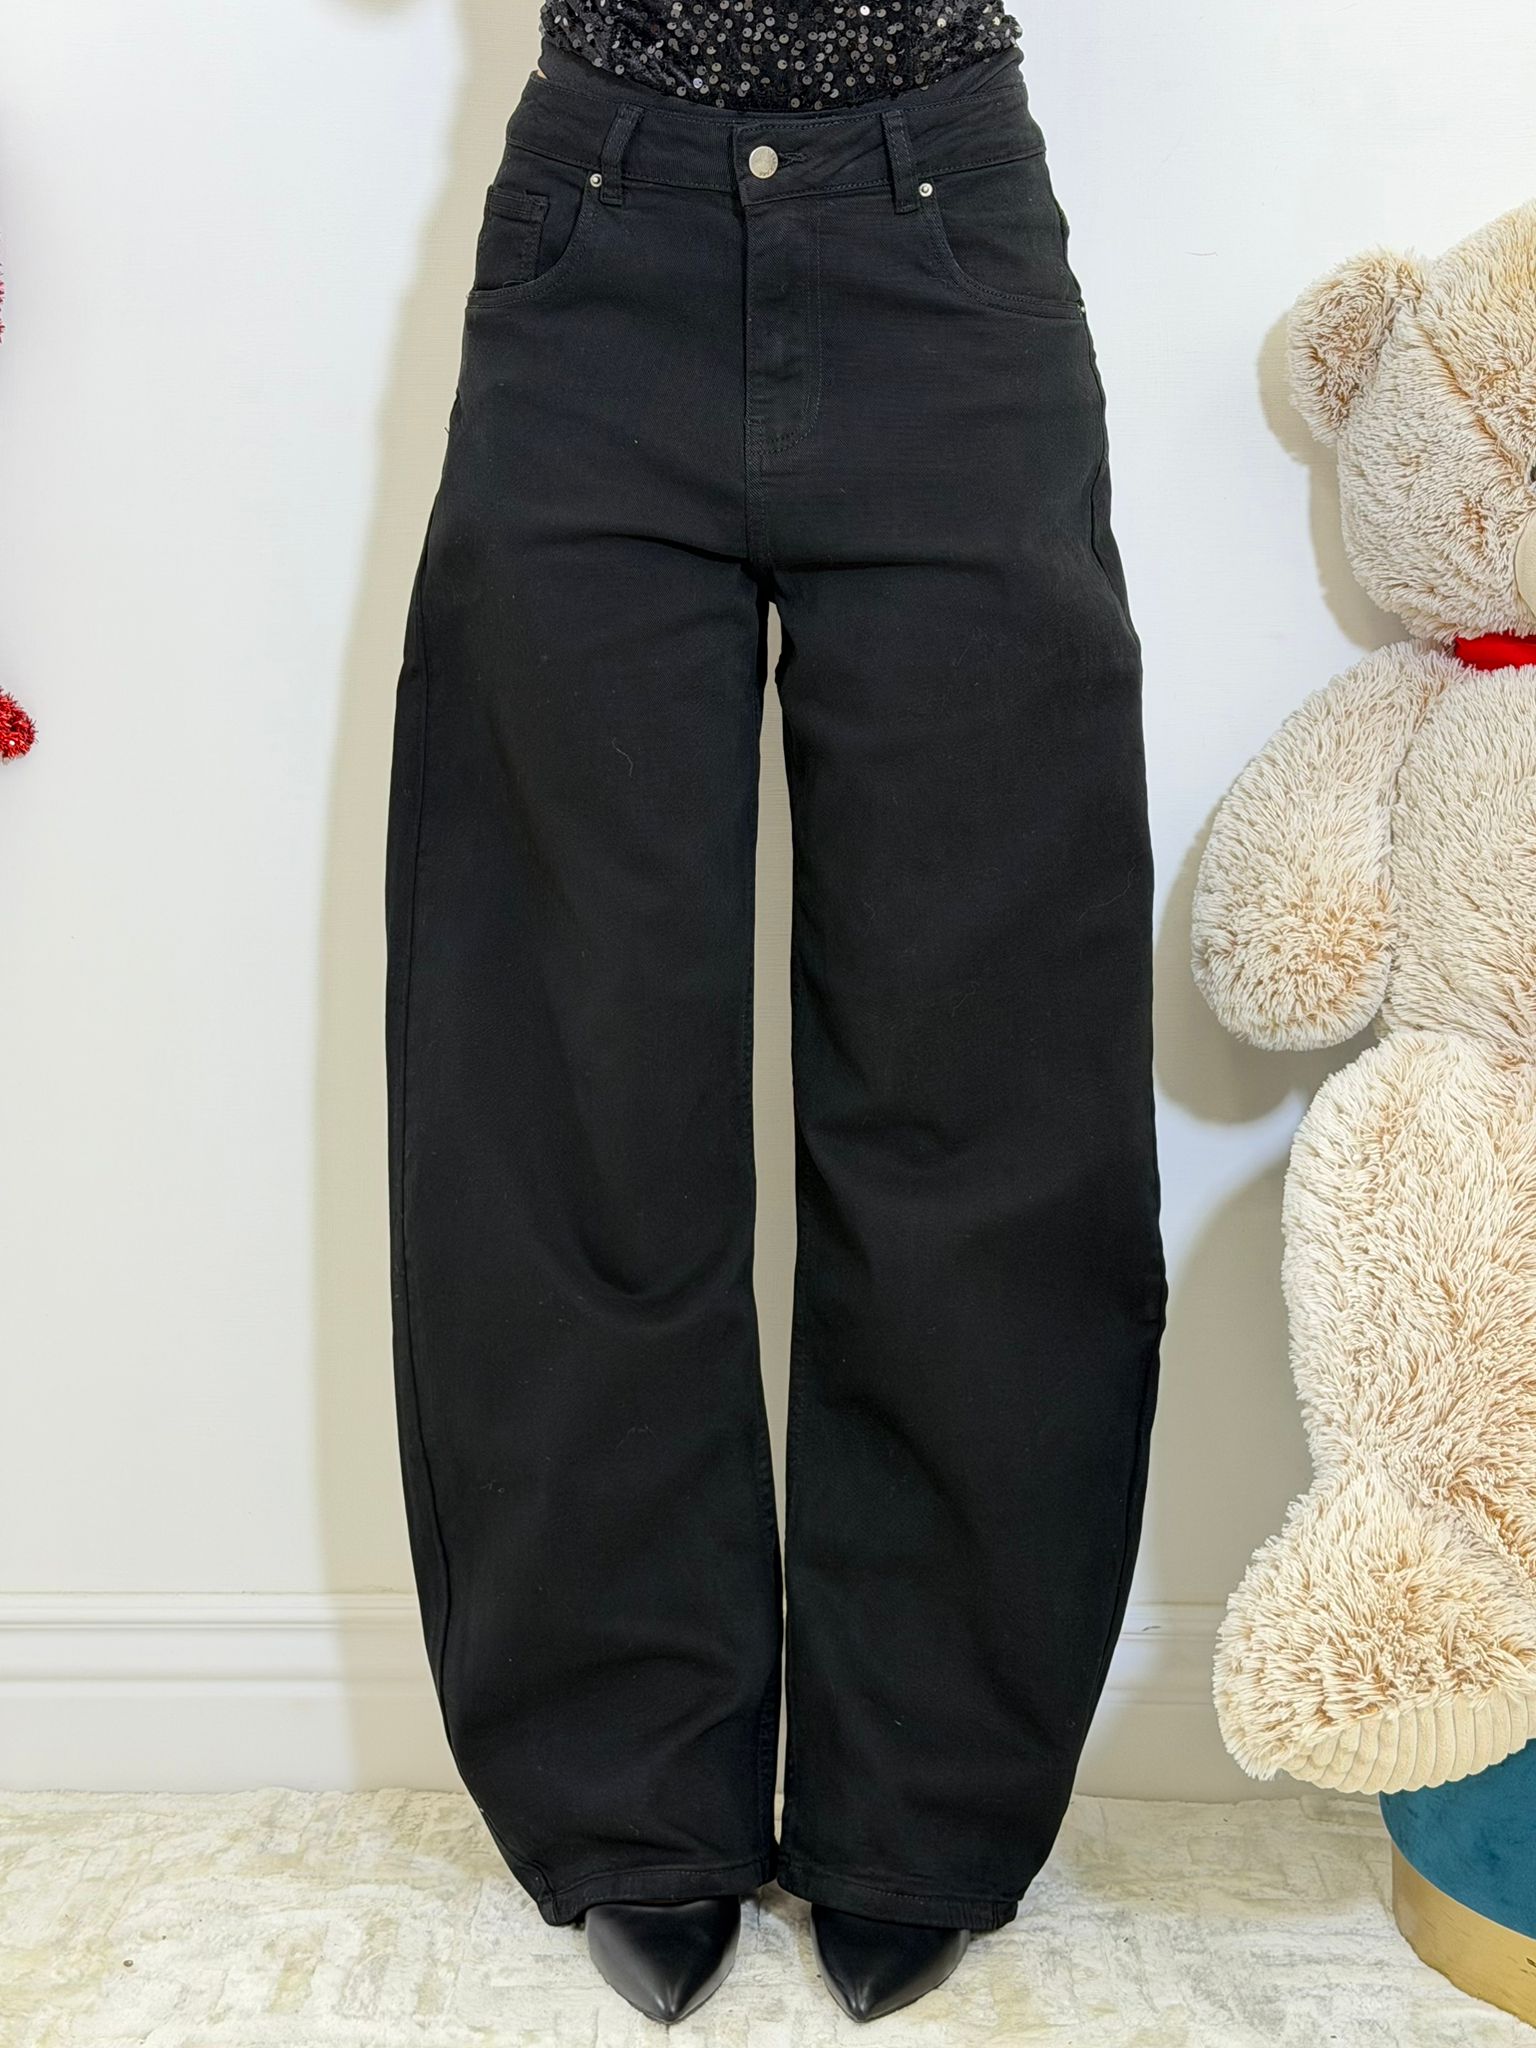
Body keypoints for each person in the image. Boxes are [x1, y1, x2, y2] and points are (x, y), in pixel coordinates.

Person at [384, 0, 1166, 2022]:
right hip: (596, 236)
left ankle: (929, 1805)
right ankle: (629, 1795)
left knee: (985, 1072)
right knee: (570, 1074)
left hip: (945, 237)